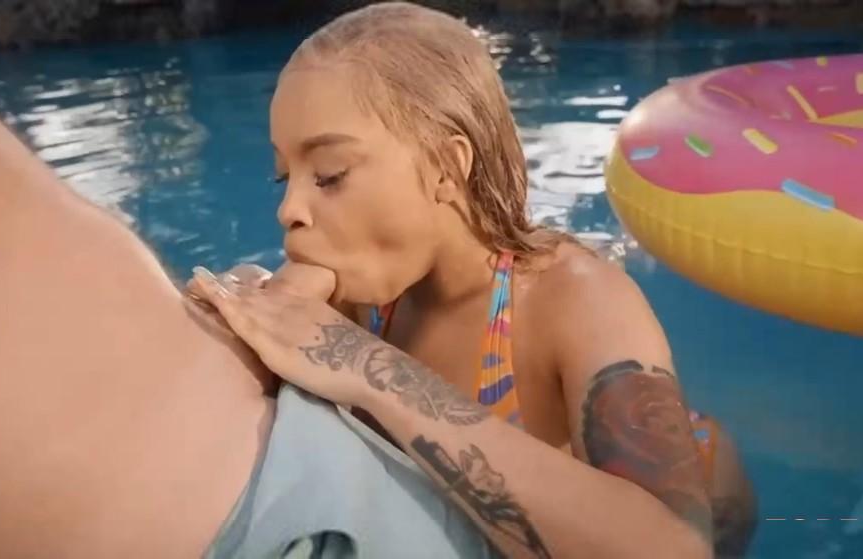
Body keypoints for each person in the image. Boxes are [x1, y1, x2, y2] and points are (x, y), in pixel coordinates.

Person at [187, 2, 755, 558]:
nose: (289, 209)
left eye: (329, 175)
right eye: (284, 177)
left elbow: (677, 549)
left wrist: (366, 367)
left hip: (706, 494)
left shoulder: (573, 298)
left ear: (446, 166)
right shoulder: (365, 295)